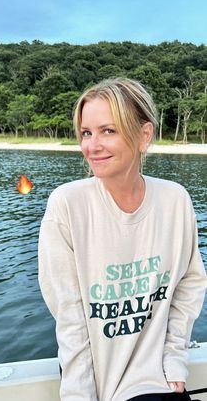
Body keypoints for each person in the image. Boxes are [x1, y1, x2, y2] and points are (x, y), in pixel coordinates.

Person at [38, 78, 207, 401]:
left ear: (144, 136)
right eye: (86, 133)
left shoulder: (175, 200)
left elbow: (189, 284)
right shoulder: (67, 205)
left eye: (108, 131)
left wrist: (174, 360)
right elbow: (70, 318)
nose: (92, 145)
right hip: (100, 382)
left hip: (158, 382)